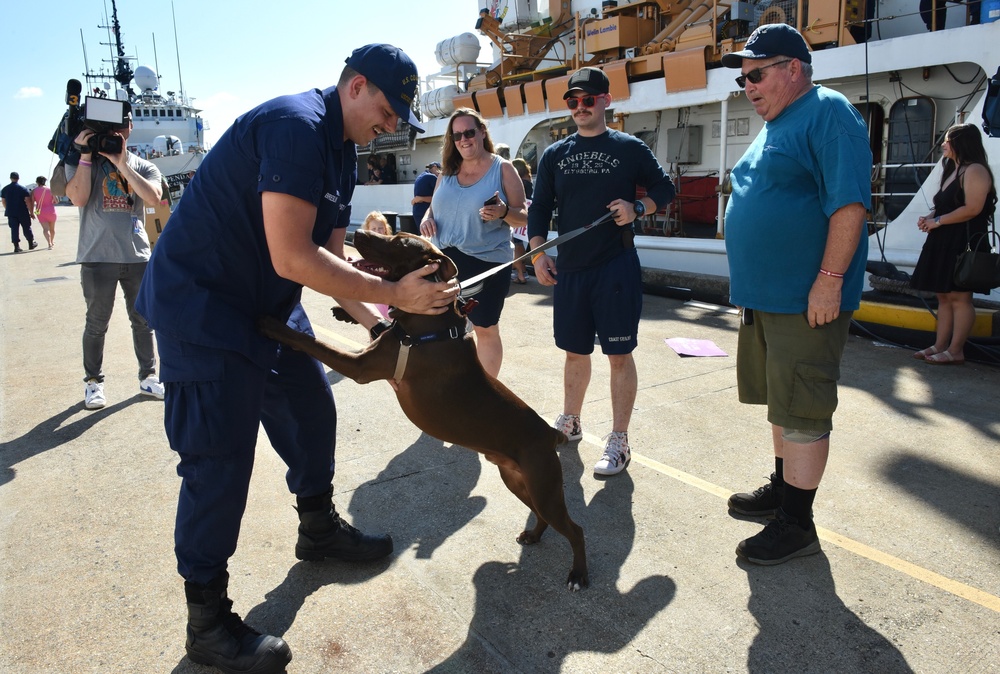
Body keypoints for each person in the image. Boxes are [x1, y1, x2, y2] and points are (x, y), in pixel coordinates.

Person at [135, 44, 457, 674]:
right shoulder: (296, 128)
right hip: (204, 307)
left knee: (311, 410)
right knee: (218, 463)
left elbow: (331, 264)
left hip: (265, 306)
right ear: (356, 86)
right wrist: (394, 292)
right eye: (388, 110)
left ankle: (318, 528)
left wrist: (396, 323)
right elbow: (292, 257)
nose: (391, 125)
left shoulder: (339, 149)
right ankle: (207, 620)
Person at [721, 24, 871, 565]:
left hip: (806, 300)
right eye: (743, 78)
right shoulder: (780, 122)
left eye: (756, 74)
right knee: (782, 404)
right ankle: (785, 489)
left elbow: (849, 205)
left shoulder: (828, 112)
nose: (748, 85)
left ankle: (797, 523)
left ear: (794, 69)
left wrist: (829, 282)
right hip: (768, 300)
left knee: (804, 408)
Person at [527, 67, 675, 477]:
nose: (579, 108)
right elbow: (539, 208)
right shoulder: (556, 154)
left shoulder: (629, 148)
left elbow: (665, 189)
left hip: (615, 267)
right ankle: (571, 421)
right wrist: (538, 254)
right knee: (575, 352)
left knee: (618, 354)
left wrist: (638, 209)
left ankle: (620, 440)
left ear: (605, 101)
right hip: (570, 269)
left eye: (587, 100)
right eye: (572, 102)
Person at [64, 105, 166, 410]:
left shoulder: (143, 165)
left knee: (143, 321)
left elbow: (154, 198)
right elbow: (78, 197)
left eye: (122, 125)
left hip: (136, 255)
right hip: (97, 255)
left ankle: (148, 377)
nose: (117, 131)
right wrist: (84, 155)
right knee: (96, 323)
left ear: (130, 127)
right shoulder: (85, 159)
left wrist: (121, 162)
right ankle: (93, 383)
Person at [418, 108, 527, 378]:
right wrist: (426, 220)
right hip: (444, 263)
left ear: (481, 132)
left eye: (469, 132)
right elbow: (432, 209)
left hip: (485, 263)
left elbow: (523, 216)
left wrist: (503, 212)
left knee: (485, 329)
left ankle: (486, 390)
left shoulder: (503, 169)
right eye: (457, 135)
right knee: (443, 327)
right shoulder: (448, 171)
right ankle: (454, 384)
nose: (464, 139)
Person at [910, 123, 997, 365]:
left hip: (962, 241)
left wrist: (937, 221)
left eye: (948, 140)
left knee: (960, 298)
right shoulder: (953, 170)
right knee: (944, 296)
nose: (943, 144)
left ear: (962, 143)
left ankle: (956, 350)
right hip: (944, 239)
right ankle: (940, 345)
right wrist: (929, 218)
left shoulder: (975, 170)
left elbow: (973, 208)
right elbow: (948, 205)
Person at [2, 172, 37, 253]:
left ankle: (16, 247)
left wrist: (7, 208)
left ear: (10, 178)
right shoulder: (22, 189)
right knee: (26, 227)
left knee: (14, 229)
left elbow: (3, 201)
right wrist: (31, 212)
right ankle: (31, 243)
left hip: (11, 212)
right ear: (18, 178)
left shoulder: (5, 189)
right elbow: (28, 201)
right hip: (22, 211)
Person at [511, 157, 533, 284]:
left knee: (516, 245)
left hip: (518, 214)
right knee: (520, 244)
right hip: (525, 214)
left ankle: (520, 274)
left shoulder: (520, 183)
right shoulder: (528, 182)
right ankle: (522, 272)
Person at [411, 161, 441, 228]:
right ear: (435, 167)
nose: (440, 174)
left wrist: (418, 199)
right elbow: (438, 198)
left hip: (417, 211)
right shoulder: (432, 177)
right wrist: (421, 199)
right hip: (426, 213)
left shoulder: (420, 176)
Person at [32, 176, 58, 249]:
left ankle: (49, 243)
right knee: (52, 229)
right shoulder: (50, 190)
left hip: (40, 211)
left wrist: (31, 212)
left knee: (45, 229)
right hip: (51, 211)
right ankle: (52, 242)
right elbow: (56, 201)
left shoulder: (34, 191)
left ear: (37, 182)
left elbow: (32, 201)